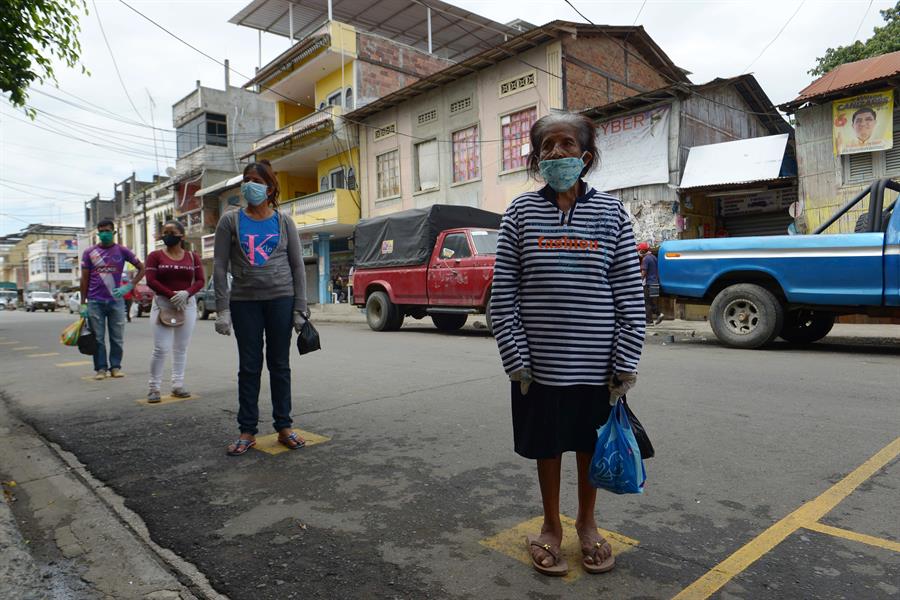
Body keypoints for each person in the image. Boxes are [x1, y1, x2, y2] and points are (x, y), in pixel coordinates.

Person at [491, 113, 646, 577]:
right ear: (538, 159)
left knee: (588, 446)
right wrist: (516, 359)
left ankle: (587, 524)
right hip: (537, 368)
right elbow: (505, 294)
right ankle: (551, 526)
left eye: (566, 143)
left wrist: (626, 360)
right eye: (547, 146)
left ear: (586, 156)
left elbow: (628, 293)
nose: (557, 152)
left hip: (597, 366)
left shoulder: (611, 213)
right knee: (548, 447)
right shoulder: (520, 213)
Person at [213, 160, 309, 456]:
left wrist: (300, 308)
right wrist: (222, 308)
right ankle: (247, 431)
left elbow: (297, 265)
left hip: (281, 300)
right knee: (249, 367)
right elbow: (219, 266)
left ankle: (284, 427)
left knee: (279, 365)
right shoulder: (230, 220)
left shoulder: (284, 222)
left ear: (270, 187)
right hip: (244, 304)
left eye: (255, 180)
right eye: (246, 179)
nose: (249, 185)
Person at [144, 220, 205, 403]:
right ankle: (154, 388)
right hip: (163, 304)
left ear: (181, 236)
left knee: (181, 347)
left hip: (187, 304)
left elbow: (200, 280)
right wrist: (172, 295)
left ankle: (178, 385)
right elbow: (151, 281)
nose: (167, 235)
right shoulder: (155, 256)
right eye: (164, 232)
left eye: (171, 232)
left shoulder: (192, 257)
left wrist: (186, 293)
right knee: (161, 348)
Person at [79, 218, 145, 380]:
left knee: (117, 338)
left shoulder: (122, 251)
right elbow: (84, 279)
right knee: (98, 338)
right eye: (101, 231)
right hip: (95, 301)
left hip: (116, 301)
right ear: (98, 233)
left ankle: (115, 367)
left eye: (107, 230)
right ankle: (101, 369)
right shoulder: (89, 253)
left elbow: (142, 268)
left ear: (114, 232)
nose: (104, 234)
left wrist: (129, 286)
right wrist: (83, 304)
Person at [638, 242, 664, 325]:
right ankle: (659, 314)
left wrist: (639, 281)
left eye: (639, 250)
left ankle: (649, 321)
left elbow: (644, 272)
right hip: (655, 283)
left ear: (642, 250)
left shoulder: (645, 259)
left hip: (649, 283)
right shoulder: (653, 257)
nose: (638, 252)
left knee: (647, 302)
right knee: (652, 302)